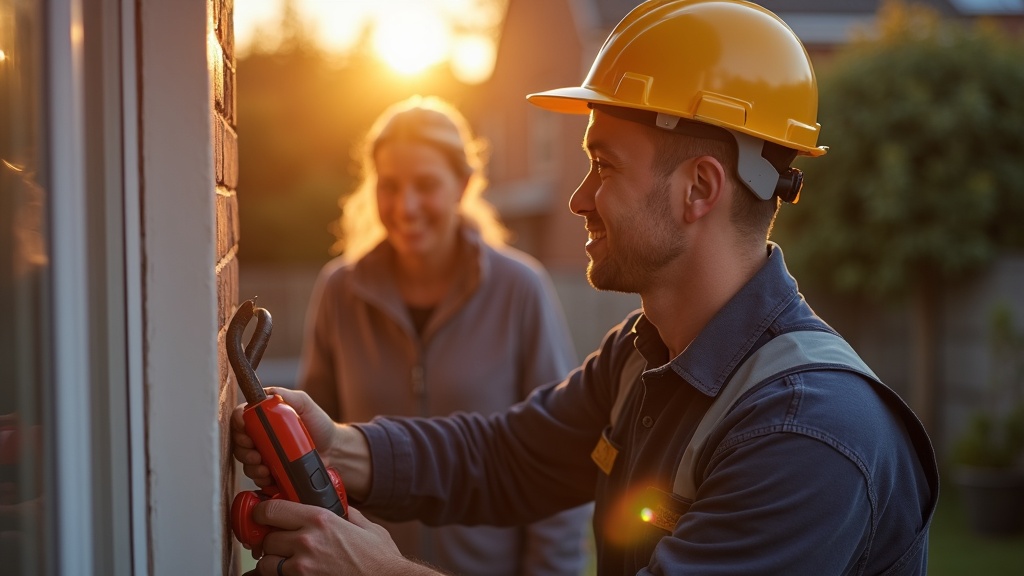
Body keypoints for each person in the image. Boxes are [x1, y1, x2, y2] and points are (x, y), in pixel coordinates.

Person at [233, 2, 940, 575]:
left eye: (604, 165)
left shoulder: (807, 436)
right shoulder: (644, 361)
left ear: (700, 189)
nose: (577, 199)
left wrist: (380, 572)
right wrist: (338, 445)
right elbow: (506, 457)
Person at [292, 95, 591, 576]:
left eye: (426, 184)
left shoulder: (520, 289)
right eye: (389, 186)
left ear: (463, 186)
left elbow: (555, 457)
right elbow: (311, 457)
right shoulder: (339, 291)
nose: (406, 206)